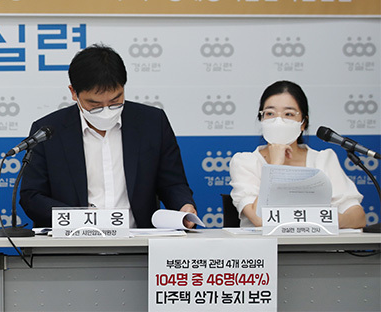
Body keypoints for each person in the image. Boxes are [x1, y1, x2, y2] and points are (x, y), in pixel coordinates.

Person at [19, 44, 197, 228]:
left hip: (137, 239)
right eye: (94, 105)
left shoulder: (152, 123)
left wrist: (184, 206)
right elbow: (32, 196)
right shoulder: (48, 131)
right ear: (73, 92)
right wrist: (78, 219)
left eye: (115, 101)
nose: (106, 111)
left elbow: (172, 183)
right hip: (73, 239)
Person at [229, 80, 366, 228]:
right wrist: (275, 166)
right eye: (270, 113)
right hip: (265, 244)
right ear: (261, 119)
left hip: (317, 243)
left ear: (303, 123)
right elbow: (259, 219)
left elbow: (358, 217)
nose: (278, 121)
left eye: (288, 114)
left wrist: (324, 220)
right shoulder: (246, 162)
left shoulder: (322, 160)